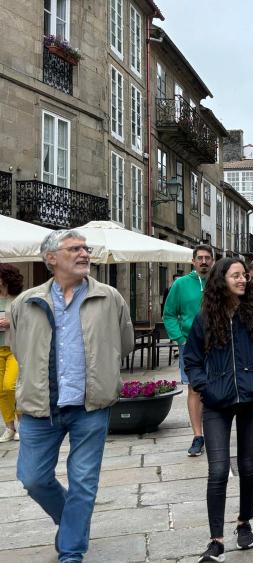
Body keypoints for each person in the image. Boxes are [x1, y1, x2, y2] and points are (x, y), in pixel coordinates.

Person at [9, 230, 134, 563]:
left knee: (83, 481)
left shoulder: (110, 298)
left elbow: (125, 343)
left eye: (85, 248)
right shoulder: (25, 302)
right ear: (51, 258)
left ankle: (71, 552)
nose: (84, 254)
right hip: (40, 408)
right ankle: (72, 526)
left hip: (90, 407)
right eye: (74, 249)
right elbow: (19, 348)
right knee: (33, 478)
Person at [183, 258, 253, 562]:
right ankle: (216, 540)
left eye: (244, 276)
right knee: (218, 469)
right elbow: (192, 360)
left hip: (252, 401)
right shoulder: (205, 319)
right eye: (235, 275)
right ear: (220, 280)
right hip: (217, 402)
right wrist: (205, 386)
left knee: (248, 466)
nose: (242, 280)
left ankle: (244, 523)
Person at [163, 244, 215, 457]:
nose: (204, 261)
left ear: (213, 260)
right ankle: (197, 435)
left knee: (217, 386)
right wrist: (180, 339)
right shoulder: (181, 285)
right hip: (191, 346)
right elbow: (169, 314)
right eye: (200, 258)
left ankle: (215, 431)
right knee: (194, 388)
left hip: (218, 344)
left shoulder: (219, 282)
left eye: (207, 258)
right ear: (193, 261)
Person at [0, 264, 23, 442]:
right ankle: (9, 427)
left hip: (15, 348)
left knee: (11, 386)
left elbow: (28, 324)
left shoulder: (20, 300)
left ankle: (22, 424)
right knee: (1, 390)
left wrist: (10, 324)